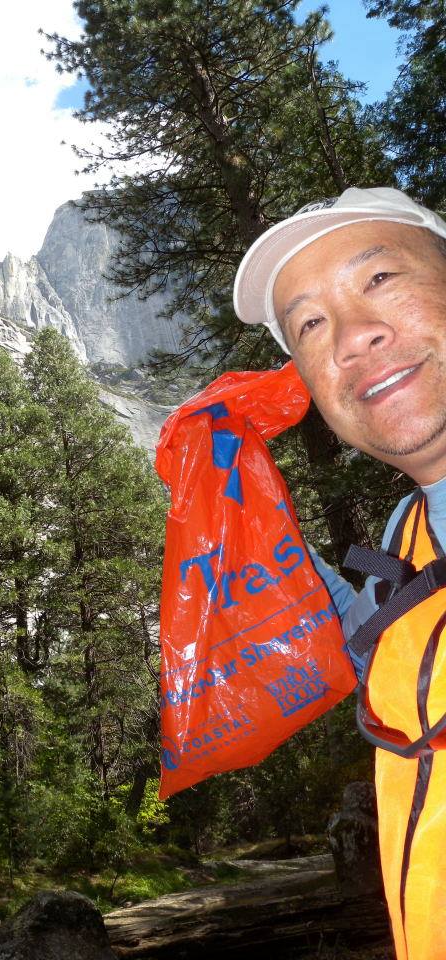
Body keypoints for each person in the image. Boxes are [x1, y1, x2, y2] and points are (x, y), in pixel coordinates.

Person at [233, 186, 446, 960]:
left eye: (379, 278)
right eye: (311, 326)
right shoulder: (408, 532)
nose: (353, 336)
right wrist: (253, 521)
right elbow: (376, 659)